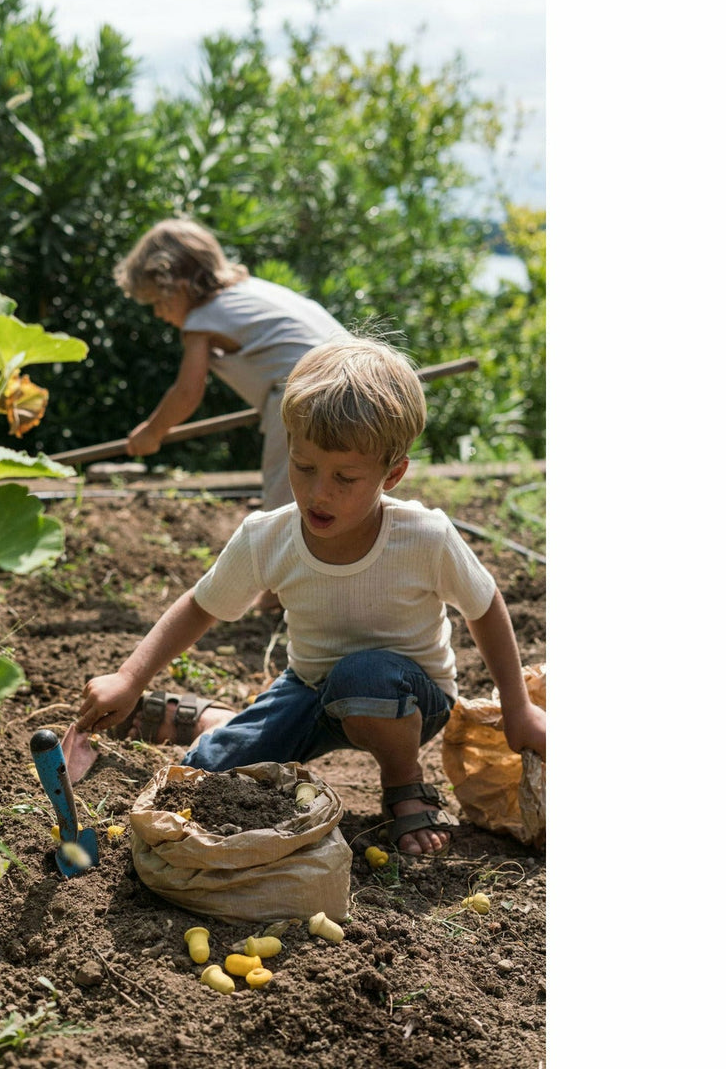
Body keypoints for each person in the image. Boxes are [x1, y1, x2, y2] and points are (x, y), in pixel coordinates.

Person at [76, 336, 546, 857]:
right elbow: (200, 605)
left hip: (409, 699)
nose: (319, 492)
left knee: (364, 676)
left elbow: (485, 606)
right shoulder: (267, 536)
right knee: (205, 780)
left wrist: (518, 708)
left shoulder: (425, 537)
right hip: (310, 689)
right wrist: (129, 677)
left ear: (391, 474)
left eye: (345, 477)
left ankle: (403, 782)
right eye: (303, 467)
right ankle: (217, 719)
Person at [114, 217, 351, 513]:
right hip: (358, 385)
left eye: (157, 302)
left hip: (307, 396)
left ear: (177, 286)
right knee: (345, 499)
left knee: (286, 510)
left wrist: (152, 431)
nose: (159, 314)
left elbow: (187, 392)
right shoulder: (254, 290)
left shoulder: (202, 320)